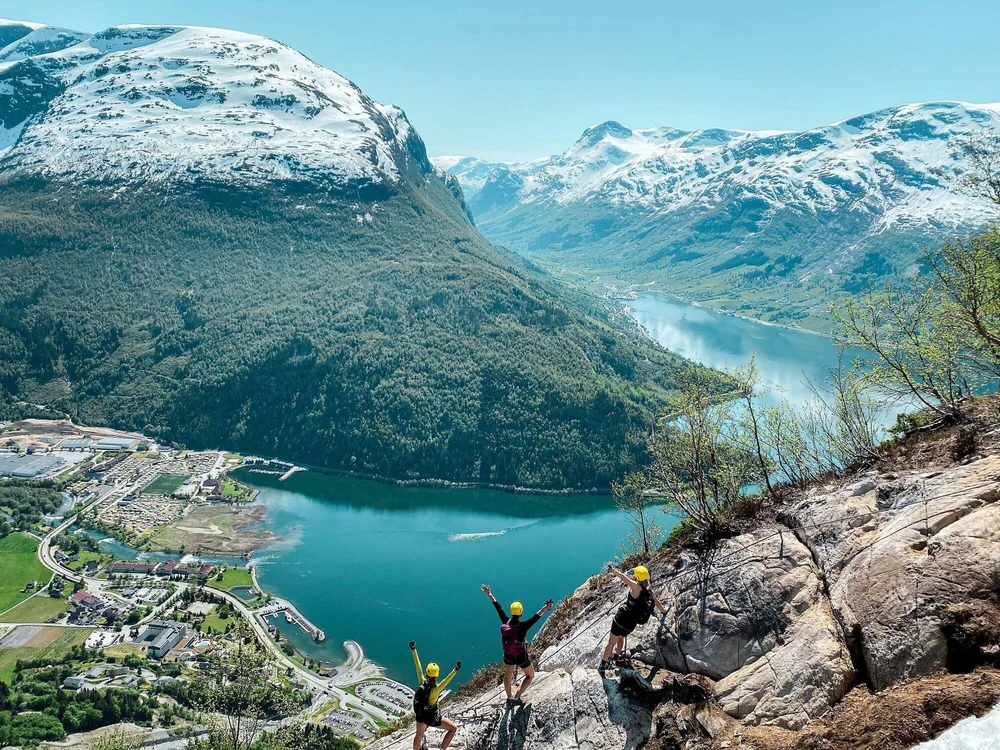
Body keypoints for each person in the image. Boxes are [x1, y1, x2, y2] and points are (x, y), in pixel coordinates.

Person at [481, 584, 553, 705]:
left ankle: (509, 698)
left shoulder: (506, 622)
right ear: (521, 613)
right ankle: (517, 697)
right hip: (521, 656)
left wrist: (490, 594)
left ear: (511, 611)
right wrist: (545, 608)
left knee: (507, 676)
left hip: (508, 655)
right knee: (530, 676)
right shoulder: (522, 626)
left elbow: (498, 608)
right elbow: (536, 617)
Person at [599, 565, 665, 673]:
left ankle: (602, 666)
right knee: (621, 638)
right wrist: (664, 612)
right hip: (631, 624)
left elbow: (623, 577)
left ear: (637, 577)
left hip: (621, 619)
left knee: (611, 643)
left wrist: (613, 570)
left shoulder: (635, 587)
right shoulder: (649, 592)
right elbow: (657, 603)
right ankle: (615, 660)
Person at [409, 641, 460, 750]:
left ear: (426, 673)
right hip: (432, 718)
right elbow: (447, 680)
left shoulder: (421, 682)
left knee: (418, 735)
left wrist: (413, 649)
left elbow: (418, 666)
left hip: (421, 715)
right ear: (437, 675)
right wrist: (455, 670)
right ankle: (442, 749)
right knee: (453, 729)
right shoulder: (436, 689)